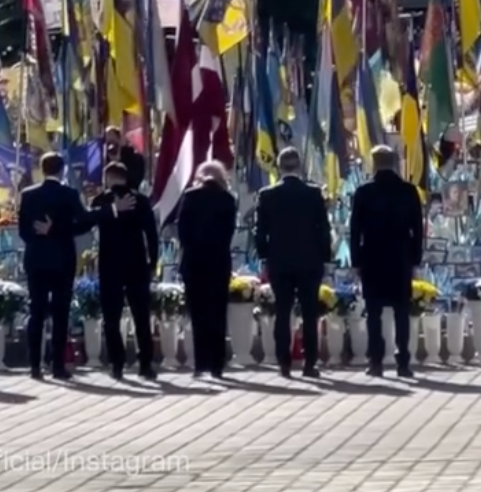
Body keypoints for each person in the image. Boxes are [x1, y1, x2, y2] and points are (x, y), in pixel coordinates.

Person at [254, 147, 332, 379]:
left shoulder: (267, 194)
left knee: (282, 311)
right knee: (309, 313)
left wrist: (265, 256)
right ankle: (310, 363)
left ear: (279, 166)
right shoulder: (313, 193)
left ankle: (284, 363)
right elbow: (323, 230)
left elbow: (260, 232)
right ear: (299, 166)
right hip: (310, 261)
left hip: (280, 261)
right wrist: (325, 257)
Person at [349, 144, 424, 380]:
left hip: (372, 257)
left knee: (374, 312)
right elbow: (418, 229)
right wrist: (415, 258)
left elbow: (355, 230)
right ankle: (403, 362)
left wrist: (356, 260)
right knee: (402, 311)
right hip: (400, 258)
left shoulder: (363, 192)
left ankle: (376, 361)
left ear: (374, 163)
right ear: (394, 163)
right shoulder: (408, 191)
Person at [19, 151, 91, 381]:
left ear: (42, 169)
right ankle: (58, 366)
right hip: (62, 259)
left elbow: (23, 230)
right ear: (62, 170)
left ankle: (34, 366)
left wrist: (39, 233)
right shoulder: (68, 194)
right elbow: (84, 222)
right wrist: (60, 230)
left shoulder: (28, 195)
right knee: (61, 312)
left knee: (36, 311)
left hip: (36, 259)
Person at [91, 159, 158, 380]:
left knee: (112, 317)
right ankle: (145, 364)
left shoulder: (101, 200)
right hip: (137, 263)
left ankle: (117, 364)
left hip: (110, 265)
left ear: (108, 178)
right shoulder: (141, 200)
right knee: (141, 316)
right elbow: (151, 234)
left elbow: (90, 224)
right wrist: (154, 261)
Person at [176, 161, 237, 378]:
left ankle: (200, 364)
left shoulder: (191, 196)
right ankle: (217, 365)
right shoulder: (228, 199)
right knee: (218, 314)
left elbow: (182, 230)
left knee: (198, 314)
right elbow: (229, 232)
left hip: (194, 262)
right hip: (219, 262)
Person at [104, 125, 146, 192]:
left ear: (120, 139)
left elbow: (136, 179)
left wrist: (119, 161)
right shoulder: (106, 159)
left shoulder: (135, 157)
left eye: (113, 140)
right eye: (108, 142)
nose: (111, 146)